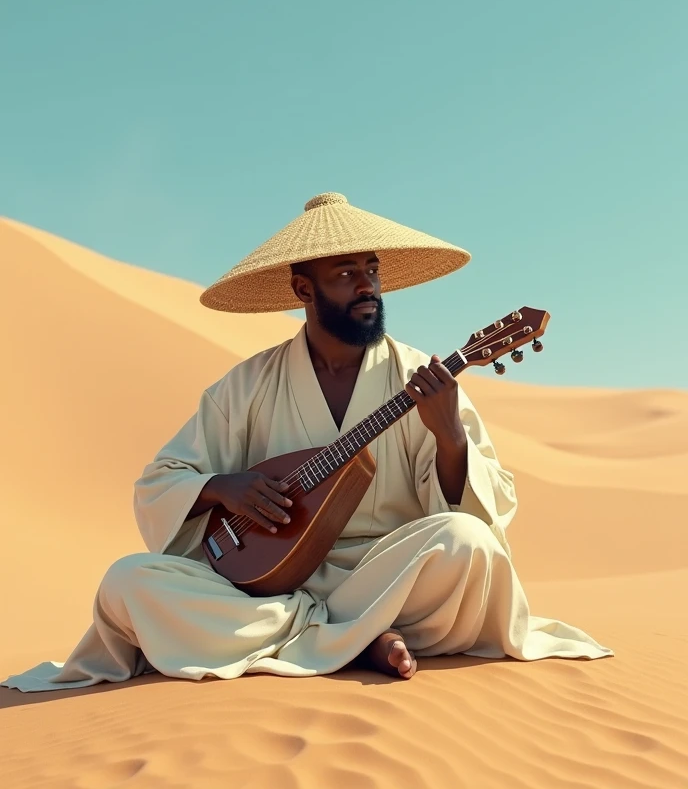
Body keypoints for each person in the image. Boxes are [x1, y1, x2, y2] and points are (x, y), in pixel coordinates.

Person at [2, 192, 612, 692]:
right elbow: (159, 481)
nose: (367, 285)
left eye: (371, 270)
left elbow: (484, 511)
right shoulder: (247, 386)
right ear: (303, 291)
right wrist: (223, 487)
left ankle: (318, 635)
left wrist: (449, 435)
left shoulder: (422, 377)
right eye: (346, 273)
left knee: (470, 545)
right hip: (269, 582)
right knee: (127, 582)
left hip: (385, 574)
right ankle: (358, 639)